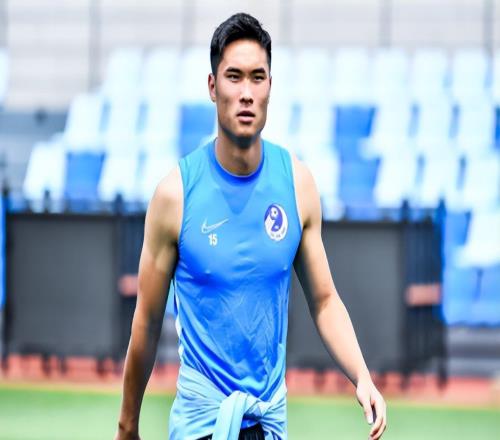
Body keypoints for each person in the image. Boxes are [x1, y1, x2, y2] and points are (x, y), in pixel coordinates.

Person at [116, 12, 387, 440]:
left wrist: (362, 375)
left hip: (268, 423)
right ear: (212, 87)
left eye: (257, 78)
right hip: (201, 425)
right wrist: (127, 425)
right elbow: (147, 322)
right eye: (234, 77)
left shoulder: (297, 185)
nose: (246, 92)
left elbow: (324, 300)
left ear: (270, 87)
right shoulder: (175, 196)